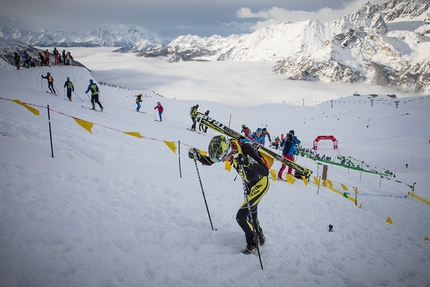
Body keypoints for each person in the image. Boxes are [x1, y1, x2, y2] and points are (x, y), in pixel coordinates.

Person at [188, 135, 270, 254]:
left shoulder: (246, 149)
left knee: (241, 217)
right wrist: (198, 156)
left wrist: (248, 163)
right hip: (248, 185)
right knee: (251, 214)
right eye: (219, 160)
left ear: (228, 151)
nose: (222, 161)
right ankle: (259, 234)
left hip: (260, 183)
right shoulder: (228, 150)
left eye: (221, 158)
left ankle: (252, 243)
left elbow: (265, 171)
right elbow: (211, 161)